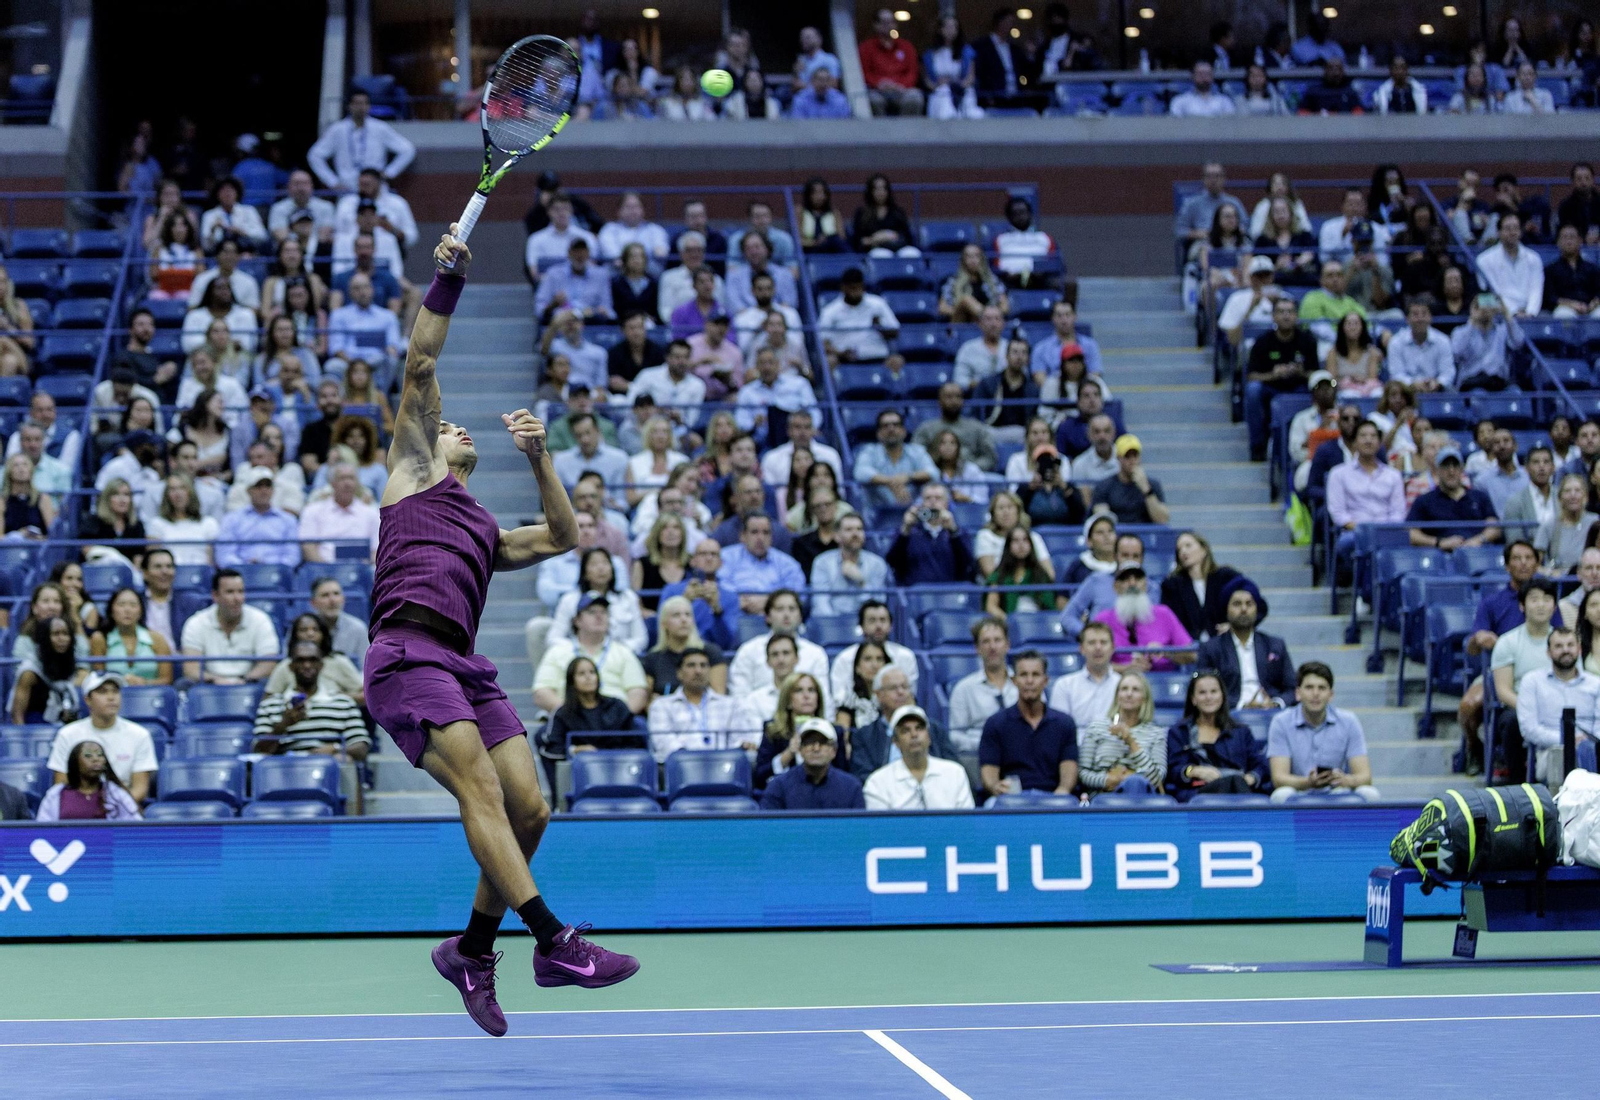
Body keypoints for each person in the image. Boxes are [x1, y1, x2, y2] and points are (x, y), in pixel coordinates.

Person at [359, 230, 638, 1023]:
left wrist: (541, 458)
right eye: (451, 430)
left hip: (463, 665)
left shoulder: (482, 527)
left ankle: (472, 949)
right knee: (479, 786)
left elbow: (560, 538)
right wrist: (446, 280)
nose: (459, 431)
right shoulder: (411, 476)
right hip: (406, 653)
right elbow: (420, 368)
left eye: (459, 430)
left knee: (532, 807)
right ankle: (555, 940)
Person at [1266, 662, 1378, 803]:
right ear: (1298, 693)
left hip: (1337, 789)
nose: (1315, 693)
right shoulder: (1281, 722)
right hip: (1299, 790)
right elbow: (1279, 778)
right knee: (1280, 795)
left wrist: (1344, 779)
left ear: (1331, 695)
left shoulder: (1349, 721)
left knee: (1370, 794)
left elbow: (1365, 776)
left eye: (1322, 688)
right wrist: (1308, 782)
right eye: (1309, 687)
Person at [1488, 577, 1562, 784]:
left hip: (1558, 705)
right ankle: (1518, 785)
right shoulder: (1507, 642)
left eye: (1547, 599)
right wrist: (1531, 708)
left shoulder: (1564, 642)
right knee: (1511, 722)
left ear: (1554, 606)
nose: (1541, 605)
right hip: (1519, 706)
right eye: (1534, 599)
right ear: (1522, 605)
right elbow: (1503, 691)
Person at [44, 672, 158, 804]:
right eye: (103, 692)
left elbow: (140, 789)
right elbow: (61, 785)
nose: (111, 698)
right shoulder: (67, 734)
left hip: (122, 810)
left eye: (115, 691)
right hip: (79, 809)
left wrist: (114, 809)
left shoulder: (139, 734)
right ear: (88, 699)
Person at [253, 640, 372, 766]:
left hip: (329, 769)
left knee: (344, 760)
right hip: (285, 769)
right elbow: (259, 751)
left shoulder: (343, 703)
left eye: (312, 660)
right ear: (290, 666)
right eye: (301, 660)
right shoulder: (270, 705)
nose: (307, 665)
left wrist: (335, 749)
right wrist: (282, 725)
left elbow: (361, 749)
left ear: (321, 665)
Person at [979, 650, 1078, 798]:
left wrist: (1058, 799)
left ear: (1045, 680)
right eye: (1023, 675)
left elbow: (1067, 777)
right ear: (1014, 681)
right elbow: (990, 774)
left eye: (1035, 675)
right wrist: (996, 787)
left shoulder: (1064, 723)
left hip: (1053, 799)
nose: (1029, 681)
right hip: (1010, 799)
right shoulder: (995, 723)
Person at [1166, 670, 1270, 801]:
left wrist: (1252, 777)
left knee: (1235, 782)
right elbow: (1173, 771)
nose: (1209, 697)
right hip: (1198, 792)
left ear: (1222, 696)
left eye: (1214, 691)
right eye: (1202, 693)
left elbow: (1261, 766)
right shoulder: (1179, 732)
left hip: (1238, 787)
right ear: (1193, 699)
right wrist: (1194, 771)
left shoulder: (1241, 731)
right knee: (1234, 785)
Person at [1196, 578, 1295, 711]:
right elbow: (1204, 690)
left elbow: (1292, 688)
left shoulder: (1275, 645)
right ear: (1226, 609)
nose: (1244, 609)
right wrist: (1243, 705)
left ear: (1256, 609)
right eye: (1237, 604)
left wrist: (1275, 703)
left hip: (1272, 712)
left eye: (1249, 604)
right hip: (1229, 714)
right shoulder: (1211, 648)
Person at [647, 647, 761, 762]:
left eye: (703, 665)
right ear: (679, 673)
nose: (698, 671)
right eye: (691, 665)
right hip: (682, 768)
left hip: (724, 766)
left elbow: (740, 739)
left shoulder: (732, 705)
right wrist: (694, 761)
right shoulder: (661, 706)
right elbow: (664, 743)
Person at [1517, 628, 1600, 787]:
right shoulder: (1532, 682)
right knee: (1561, 755)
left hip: (1591, 747)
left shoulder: (1596, 684)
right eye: (1559, 646)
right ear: (1548, 652)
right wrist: (1568, 739)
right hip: (1551, 750)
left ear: (1579, 649)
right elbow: (1529, 729)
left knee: (1587, 749)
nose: (1566, 650)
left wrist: (1585, 741)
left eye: (1570, 645)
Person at [1326, 419, 1407, 569]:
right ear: (1354, 442)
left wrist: (1381, 532)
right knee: (1355, 544)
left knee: (1401, 544)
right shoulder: (1338, 474)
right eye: (1363, 436)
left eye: (1373, 436)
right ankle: (1367, 589)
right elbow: (1339, 515)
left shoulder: (1393, 475)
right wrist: (1366, 531)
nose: (1368, 440)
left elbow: (1398, 514)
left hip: (1386, 532)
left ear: (1379, 442)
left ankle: (1373, 590)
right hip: (1355, 533)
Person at [864, 706, 975, 811]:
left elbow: (967, 822)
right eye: (905, 730)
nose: (914, 735)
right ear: (896, 742)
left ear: (929, 737)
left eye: (919, 728)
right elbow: (880, 828)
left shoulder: (954, 773)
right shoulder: (878, 782)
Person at [727, 588, 830, 700]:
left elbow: (823, 697)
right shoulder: (749, 650)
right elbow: (739, 695)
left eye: (792, 609)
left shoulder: (815, 653)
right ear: (767, 617)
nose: (786, 614)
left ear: (800, 616)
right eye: (779, 609)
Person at [180, 569, 279, 684]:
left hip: (250, 684)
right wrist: (216, 680)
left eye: (240, 592)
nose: (237, 598)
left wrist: (244, 680)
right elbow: (191, 670)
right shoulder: (196, 623)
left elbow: (269, 663)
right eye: (230, 592)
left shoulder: (260, 620)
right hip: (209, 686)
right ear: (215, 595)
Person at [1078, 672, 1167, 798]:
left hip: (1142, 798)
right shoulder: (1096, 728)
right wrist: (1108, 780)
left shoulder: (1156, 733)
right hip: (1103, 796)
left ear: (1144, 698)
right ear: (1117, 696)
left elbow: (1157, 778)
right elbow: (1083, 773)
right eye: (1124, 689)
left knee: (1135, 782)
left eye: (1135, 690)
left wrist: (1130, 741)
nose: (1129, 694)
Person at [308, 89, 416, 192]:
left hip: (376, 190)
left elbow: (408, 149)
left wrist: (389, 173)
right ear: (349, 106)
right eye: (357, 103)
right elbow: (314, 155)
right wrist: (333, 182)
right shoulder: (337, 129)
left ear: (369, 106)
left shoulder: (380, 128)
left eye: (365, 103)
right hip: (347, 190)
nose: (361, 107)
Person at [1095, 561, 1194, 672]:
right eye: (1125, 579)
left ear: (1146, 585)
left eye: (1137, 578)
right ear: (1116, 587)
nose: (1132, 584)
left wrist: (1167, 652)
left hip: (1162, 681)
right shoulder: (1103, 619)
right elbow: (1092, 663)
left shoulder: (1164, 614)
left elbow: (1191, 655)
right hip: (1119, 684)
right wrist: (1126, 668)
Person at [547, 655, 640, 760]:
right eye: (581, 673)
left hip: (619, 764)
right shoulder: (563, 713)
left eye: (592, 672)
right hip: (580, 770)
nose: (588, 677)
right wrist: (575, 750)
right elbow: (553, 748)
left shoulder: (617, 706)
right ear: (571, 681)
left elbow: (635, 742)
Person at [1406, 445, 1499, 549]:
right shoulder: (1424, 501)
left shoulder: (1479, 497)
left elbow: (1494, 527)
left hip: (1476, 554)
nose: (1451, 471)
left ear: (1461, 469)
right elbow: (1411, 533)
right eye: (1446, 466)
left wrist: (1478, 540)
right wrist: (1439, 543)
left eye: (1455, 465)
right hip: (1438, 558)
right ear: (1437, 470)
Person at [759, 719, 865, 810]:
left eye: (823, 743)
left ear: (834, 751)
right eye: (809, 742)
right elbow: (767, 828)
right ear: (800, 749)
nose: (816, 748)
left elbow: (860, 829)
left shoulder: (851, 787)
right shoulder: (779, 786)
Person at [948, 616, 1018, 752]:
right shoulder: (964, 689)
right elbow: (955, 735)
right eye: (986, 641)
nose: (992, 647)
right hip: (978, 756)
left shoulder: (1024, 684)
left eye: (997, 640)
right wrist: (987, 744)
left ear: (1007, 645)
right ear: (977, 648)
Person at [1157, 531, 1243, 642]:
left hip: (1224, 645)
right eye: (1179, 549)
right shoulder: (1172, 585)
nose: (1183, 551)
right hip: (1189, 649)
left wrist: (1235, 626)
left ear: (1204, 550)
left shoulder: (1226, 577)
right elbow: (1167, 620)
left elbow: (1256, 604)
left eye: (1188, 545)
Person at [888, 482, 975, 586]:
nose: (933, 502)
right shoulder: (908, 532)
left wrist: (953, 531)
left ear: (946, 503)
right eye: (928, 498)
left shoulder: (957, 532)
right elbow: (892, 561)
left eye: (938, 498)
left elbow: (967, 564)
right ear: (921, 503)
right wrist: (905, 529)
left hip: (950, 594)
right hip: (916, 596)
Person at [660, 539, 741, 650]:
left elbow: (727, 643)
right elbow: (660, 631)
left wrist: (717, 610)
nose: (709, 558)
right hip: (677, 650)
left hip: (713, 654)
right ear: (693, 560)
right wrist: (684, 601)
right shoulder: (671, 591)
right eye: (703, 554)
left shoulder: (730, 597)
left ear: (720, 563)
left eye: (714, 554)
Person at [264, 613, 363, 704]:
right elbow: (268, 699)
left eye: (315, 629)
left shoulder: (339, 662)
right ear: (295, 635)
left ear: (323, 634)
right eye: (303, 630)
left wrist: (336, 699)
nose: (310, 634)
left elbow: (365, 696)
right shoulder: (286, 665)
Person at [36, 739, 143, 822]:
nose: (96, 759)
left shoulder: (115, 793)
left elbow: (135, 824)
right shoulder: (56, 794)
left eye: (100, 755)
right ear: (75, 762)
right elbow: (42, 827)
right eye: (88, 755)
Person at [810, 513, 890, 617]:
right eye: (849, 529)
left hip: (866, 625)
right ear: (837, 536)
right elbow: (821, 603)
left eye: (859, 529)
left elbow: (878, 605)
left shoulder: (877, 564)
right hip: (832, 624)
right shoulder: (822, 562)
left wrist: (861, 582)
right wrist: (834, 626)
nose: (855, 534)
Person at [854, 409, 935, 510]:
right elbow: (860, 473)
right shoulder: (869, 451)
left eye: (896, 425)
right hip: (877, 516)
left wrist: (908, 477)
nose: (891, 429)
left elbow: (933, 473)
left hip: (914, 513)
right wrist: (890, 482)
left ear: (904, 431)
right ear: (878, 433)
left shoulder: (916, 451)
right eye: (885, 425)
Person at [10, 617, 85, 724]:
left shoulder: (72, 663)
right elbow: (17, 714)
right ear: (44, 638)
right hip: (36, 726)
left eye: (66, 634)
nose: (62, 639)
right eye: (56, 634)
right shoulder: (29, 671)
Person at [91, 588, 173, 686]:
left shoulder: (157, 639)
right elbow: (98, 679)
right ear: (111, 611)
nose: (127, 610)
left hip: (150, 696)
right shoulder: (100, 639)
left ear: (140, 612)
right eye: (121, 605)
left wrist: (144, 683)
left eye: (133, 605)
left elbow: (167, 680)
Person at [818, 267, 900, 364]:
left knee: (897, 361)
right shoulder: (830, 311)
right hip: (844, 359)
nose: (855, 292)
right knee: (829, 361)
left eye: (858, 288)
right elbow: (822, 342)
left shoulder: (878, 304)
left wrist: (880, 327)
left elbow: (895, 332)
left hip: (878, 357)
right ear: (843, 288)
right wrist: (839, 353)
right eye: (852, 288)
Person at [1476, 213, 1544, 319]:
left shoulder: (1534, 259)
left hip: (1529, 315)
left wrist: (1530, 313)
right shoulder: (1484, 260)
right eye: (1507, 229)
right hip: (1499, 315)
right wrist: (1513, 313)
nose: (1512, 232)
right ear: (1498, 232)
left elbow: (1536, 290)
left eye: (1516, 228)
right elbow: (1490, 294)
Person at [1091, 435, 1169, 525]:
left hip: (1145, 535)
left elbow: (1162, 520)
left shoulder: (1152, 485)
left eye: (1135, 456)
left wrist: (1147, 491)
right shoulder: (1104, 486)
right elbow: (1103, 521)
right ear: (1118, 458)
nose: (1132, 461)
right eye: (1127, 456)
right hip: (1117, 535)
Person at [1385, 298, 1455, 391]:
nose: (1420, 318)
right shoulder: (1396, 342)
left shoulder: (1443, 341)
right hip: (1406, 393)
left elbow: (1448, 373)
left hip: (1437, 391)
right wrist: (1412, 384)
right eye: (1415, 314)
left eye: (1424, 314)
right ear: (1407, 319)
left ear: (1430, 317)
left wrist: (1438, 383)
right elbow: (1396, 374)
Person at [1174, 163, 1247, 246]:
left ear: (1224, 178)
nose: (1213, 180)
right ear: (1203, 179)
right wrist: (1198, 234)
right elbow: (1179, 231)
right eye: (1209, 176)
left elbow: (1245, 226)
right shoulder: (1191, 203)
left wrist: (1232, 231)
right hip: (1203, 243)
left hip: (1230, 244)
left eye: (1217, 176)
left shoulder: (1234, 202)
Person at [1545, 223, 1600, 318]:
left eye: (1572, 237)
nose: (1569, 241)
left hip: (1590, 308)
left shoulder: (1592, 268)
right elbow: (1550, 297)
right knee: (1563, 315)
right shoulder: (1551, 269)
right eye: (1565, 237)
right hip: (1565, 308)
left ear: (1580, 241)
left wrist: (1593, 304)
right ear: (1558, 242)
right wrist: (1572, 304)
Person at [1170, 59, 1235, 118]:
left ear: (1212, 76)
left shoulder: (1224, 102)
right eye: (1200, 74)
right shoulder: (1180, 101)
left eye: (1207, 74)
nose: (1204, 77)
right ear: (1193, 76)